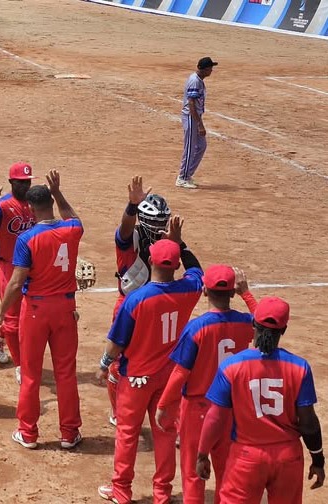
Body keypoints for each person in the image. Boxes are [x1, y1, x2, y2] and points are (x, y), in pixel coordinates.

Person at [96, 225, 203, 504]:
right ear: (176, 264)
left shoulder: (136, 299)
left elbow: (117, 342)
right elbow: (197, 271)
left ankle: (121, 491)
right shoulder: (189, 289)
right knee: (166, 435)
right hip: (169, 379)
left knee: (127, 435)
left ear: (151, 261)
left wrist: (104, 363)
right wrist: (181, 243)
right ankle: (162, 494)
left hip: (135, 379)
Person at [198, 296, 325, 503]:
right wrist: (317, 459)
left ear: (253, 324)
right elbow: (309, 423)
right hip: (288, 457)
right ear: (283, 330)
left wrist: (203, 453)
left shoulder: (231, 366)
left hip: (246, 457)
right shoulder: (300, 367)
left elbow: (215, 418)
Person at [153, 265, 258, 504]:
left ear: (204, 291)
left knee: (193, 473)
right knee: (225, 471)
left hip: (197, 410)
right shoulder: (245, 323)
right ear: (233, 293)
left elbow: (180, 373)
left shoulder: (196, 327)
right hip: (231, 410)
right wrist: (247, 294)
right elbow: (267, 322)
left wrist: (163, 404)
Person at [0, 170, 84, 450]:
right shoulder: (71, 230)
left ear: (32, 209)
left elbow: (16, 281)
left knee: (31, 374)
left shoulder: (28, 239)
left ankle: (29, 433)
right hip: (66, 308)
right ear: (51, 202)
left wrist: (1, 313)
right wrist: (58, 192)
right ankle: (69, 433)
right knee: (66, 373)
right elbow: (73, 216)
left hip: (35, 309)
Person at [107, 176, 174, 426]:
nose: (160, 226)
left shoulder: (168, 243)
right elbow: (124, 229)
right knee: (118, 365)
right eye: (156, 221)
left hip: (156, 308)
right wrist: (131, 206)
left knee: (163, 362)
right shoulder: (130, 240)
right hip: (129, 309)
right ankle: (117, 412)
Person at [0, 162, 36, 383]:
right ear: (11, 182)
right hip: (10, 267)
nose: (25, 185)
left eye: (28, 181)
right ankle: (21, 365)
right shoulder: (3, 205)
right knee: (13, 321)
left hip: (33, 267)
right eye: (21, 182)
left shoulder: (36, 203)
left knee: (30, 317)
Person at [176, 57, 218, 190]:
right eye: (210, 68)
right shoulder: (195, 81)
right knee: (190, 148)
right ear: (205, 69)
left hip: (195, 117)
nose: (212, 70)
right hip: (191, 117)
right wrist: (199, 124)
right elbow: (192, 103)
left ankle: (187, 175)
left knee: (201, 146)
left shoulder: (198, 80)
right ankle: (182, 178)